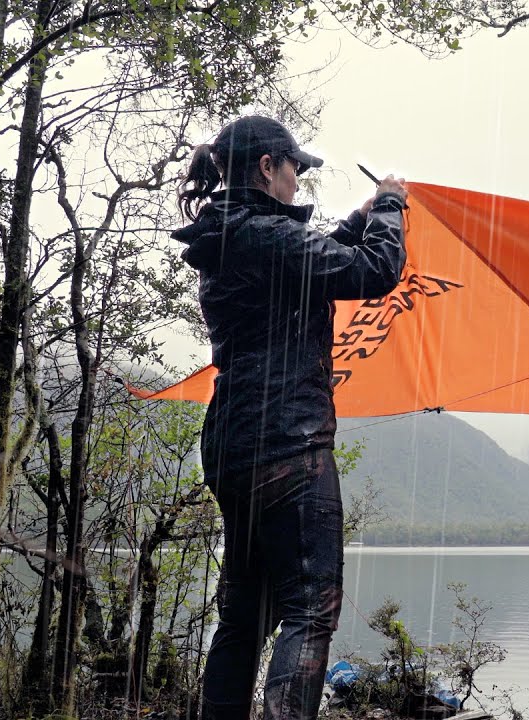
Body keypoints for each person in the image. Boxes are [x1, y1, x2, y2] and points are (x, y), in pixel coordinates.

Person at [174, 115, 408, 719]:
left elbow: (311, 260)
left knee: (245, 613)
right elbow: (372, 273)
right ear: (265, 168)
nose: (299, 180)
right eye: (294, 168)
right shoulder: (262, 235)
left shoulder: (232, 234)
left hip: (234, 444)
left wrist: (358, 218)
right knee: (309, 606)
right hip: (289, 442)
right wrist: (389, 209)